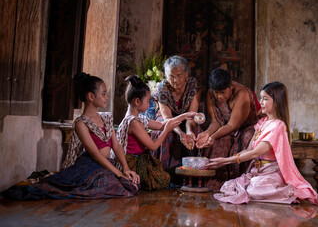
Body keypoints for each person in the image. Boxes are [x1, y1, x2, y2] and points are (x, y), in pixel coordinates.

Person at [2, 72, 140, 200]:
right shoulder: (81, 123)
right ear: (91, 96)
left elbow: (115, 145)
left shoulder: (107, 117)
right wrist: (119, 173)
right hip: (92, 164)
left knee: (132, 184)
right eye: (103, 94)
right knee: (109, 183)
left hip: (108, 163)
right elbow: (95, 155)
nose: (106, 97)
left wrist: (125, 169)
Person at [206, 82, 318, 205]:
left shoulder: (279, 126)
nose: (260, 103)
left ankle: (291, 192)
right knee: (229, 186)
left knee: (252, 190)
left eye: (265, 99)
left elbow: (255, 153)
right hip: (258, 171)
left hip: (272, 172)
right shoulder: (263, 122)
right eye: (260, 98)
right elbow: (248, 149)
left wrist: (224, 161)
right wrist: (226, 160)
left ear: (277, 102)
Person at [116, 75, 196, 190]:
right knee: (162, 181)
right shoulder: (133, 122)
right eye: (148, 101)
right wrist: (167, 130)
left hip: (140, 158)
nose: (149, 105)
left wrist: (184, 116)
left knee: (165, 179)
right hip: (132, 162)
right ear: (137, 101)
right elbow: (153, 146)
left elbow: (160, 125)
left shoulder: (136, 117)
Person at [196, 68, 260, 191]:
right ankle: (214, 184)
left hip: (249, 126)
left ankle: (238, 185)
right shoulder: (211, 94)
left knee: (247, 138)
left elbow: (233, 126)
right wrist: (207, 133)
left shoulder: (242, 94)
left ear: (231, 86)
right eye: (216, 93)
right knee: (220, 141)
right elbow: (216, 122)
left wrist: (213, 136)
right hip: (227, 126)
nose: (219, 96)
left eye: (222, 92)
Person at [150, 55, 202, 182]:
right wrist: (180, 133)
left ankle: (191, 177)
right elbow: (167, 118)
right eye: (171, 76)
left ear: (186, 74)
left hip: (187, 119)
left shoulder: (192, 85)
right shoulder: (162, 89)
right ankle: (165, 177)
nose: (175, 80)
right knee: (164, 134)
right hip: (167, 120)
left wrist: (188, 131)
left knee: (196, 133)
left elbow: (192, 114)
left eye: (179, 76)